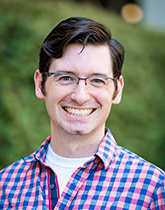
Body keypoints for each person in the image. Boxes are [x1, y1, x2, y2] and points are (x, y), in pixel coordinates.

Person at [0, 17, 164, 209]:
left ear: (117, 90)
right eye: (66, 77)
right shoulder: (6, 187)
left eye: (97, 80)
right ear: (39, 84)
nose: (80, 96)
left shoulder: (153, 189)